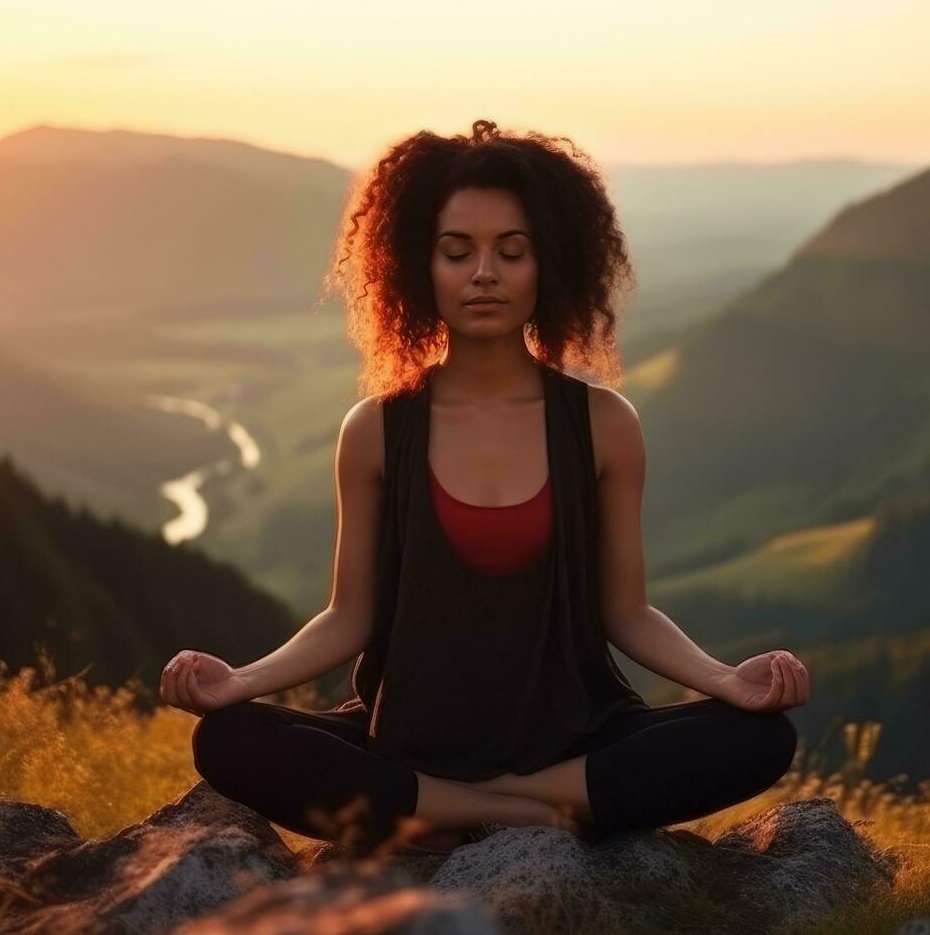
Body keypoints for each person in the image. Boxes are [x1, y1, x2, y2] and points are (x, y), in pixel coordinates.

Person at [160, 119, 809, 855]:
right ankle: (525, 810)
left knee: (758, 740)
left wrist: (728, 682)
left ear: (549, 265)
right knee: (232, 739)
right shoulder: (376, 429)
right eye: (456, 251)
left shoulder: (602, 424)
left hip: (575, 736)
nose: (483, 274)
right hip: (409, 740)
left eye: (512, 251)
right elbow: (348, 618)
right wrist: (236, 682)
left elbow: (625, 613)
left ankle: (465, 810)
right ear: (417, 266)